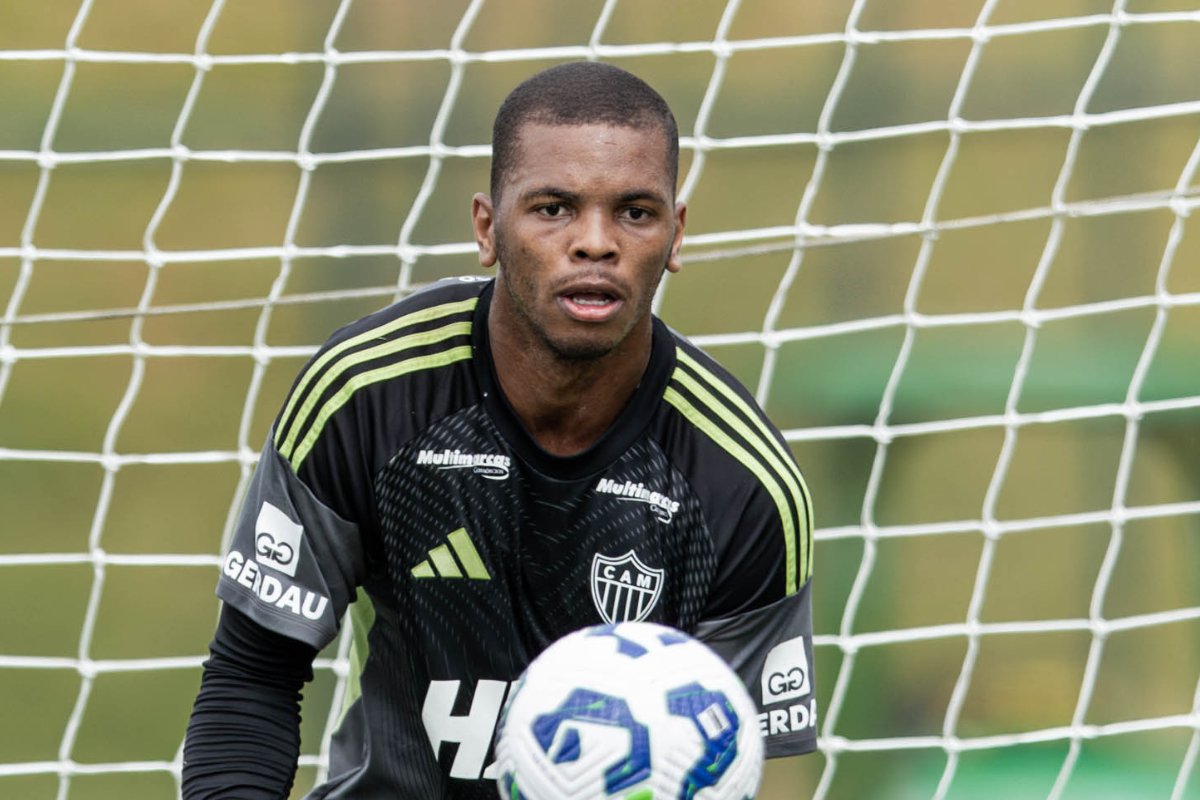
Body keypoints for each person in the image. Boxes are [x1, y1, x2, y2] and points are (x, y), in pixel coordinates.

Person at [182, 60, 816, 799]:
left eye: (635, 213)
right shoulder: (368, 396)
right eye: (553, 209)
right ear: (487, 228)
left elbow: (745, 763)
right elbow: (254, 674)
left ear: (675, 236)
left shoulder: (741, 480)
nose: (595, 243)